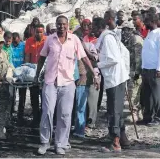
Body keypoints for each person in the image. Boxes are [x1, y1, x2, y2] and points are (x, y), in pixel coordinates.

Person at [35, 15, 97, 155]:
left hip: (68, 83)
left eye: (64, 24)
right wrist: (36, 74)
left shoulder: (74, 39)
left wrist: (94, 73)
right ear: (56, 25)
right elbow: (42, 57)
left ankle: (60, 144)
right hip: (51, 81)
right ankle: (45, 142)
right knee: (47, 112)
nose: (61, 26)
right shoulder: (50, 39)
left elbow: (84, 57)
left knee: (65, 114)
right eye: (59, 24)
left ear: (68, 25)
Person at [95, 10, 130, 152]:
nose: (92, 32)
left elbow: (113, 59)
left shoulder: (108, 38)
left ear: (99, 28)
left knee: (114, 111)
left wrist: (98, 64)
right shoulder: (110, 36)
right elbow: (125, 54)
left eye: (93, 29)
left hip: (115, 79)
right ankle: (122, 138)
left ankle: (116, 142)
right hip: (117, 78)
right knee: (116, 110)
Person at [140, 13, 160, 126]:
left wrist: (159, 69)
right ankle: (148, 117)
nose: (145, 24)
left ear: (154, 22)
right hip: (147, 69)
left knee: (158, 96)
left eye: (147, 22)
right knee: (147, 96)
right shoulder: (149, 34)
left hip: (157, 70)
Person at [120, 21, 143, 121]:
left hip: (135, 70)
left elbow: (138, 57)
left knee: (134, 91)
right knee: (131, 91)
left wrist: (137, 72)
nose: (124, 31)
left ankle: (135, 112)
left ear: (130, 30)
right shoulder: (126, 39)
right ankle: (135, 111)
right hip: (129, 69)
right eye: (123, 29)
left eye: (126, 29)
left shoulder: (136, 39)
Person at [24, 24, 46, 125]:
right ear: (34, 32)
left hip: (44, 71)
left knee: (44, 96)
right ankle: (35, 118)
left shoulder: (47, 40)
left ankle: (44, 117)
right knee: (33, 96)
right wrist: (27, 68)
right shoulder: (29, 41)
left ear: (44, 32)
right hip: (33, 71)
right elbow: (27, 56)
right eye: (37, 32)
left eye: (41, 32)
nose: (39, 34)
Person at [86, 17, 105, 131]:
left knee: (93, 98)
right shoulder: (83, 39)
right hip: (85, 73)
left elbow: (95, 58)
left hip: (96, 71)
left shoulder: (101, 39)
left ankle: (91, 122)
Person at [0, 34, 15, 139]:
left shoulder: (4, 53)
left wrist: (16, 72)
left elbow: (8, 65)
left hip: (4, 85)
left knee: (3, 107)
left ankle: (0, 129)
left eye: (1, 43)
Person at [11, 32, 26, 122]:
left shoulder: (23, 46)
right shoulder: (10, 46)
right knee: (12, 95)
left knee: (22, 95)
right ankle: (11, 113)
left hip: (22, 74)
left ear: (19, 39)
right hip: (12, 74)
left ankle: (21, 114)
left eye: (17, 41)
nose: (15, 43)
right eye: (14, 42)